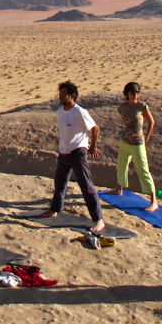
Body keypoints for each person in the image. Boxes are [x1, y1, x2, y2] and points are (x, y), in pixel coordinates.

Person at [37, 81, 107, 234]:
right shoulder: (61, 111)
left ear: (72, 96)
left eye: (63, 94)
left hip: (78, 154)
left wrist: (92, 146)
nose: (60, 97)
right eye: (60, 94)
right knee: (59, 184)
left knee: (87, 187)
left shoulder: (80, 112)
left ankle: (98, 220)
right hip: (64, 153)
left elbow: (95, 129)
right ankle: (54, 210)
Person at [110, 82, 159, 212]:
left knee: (143, 169)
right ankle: (119, 189)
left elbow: (151, 121)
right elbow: (125, 121)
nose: (136, 94)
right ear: (127, 94)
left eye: (137, 92)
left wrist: (147, 136)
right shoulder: (122, 107)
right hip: (125, 140)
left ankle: (153, 201)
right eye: (133, 92)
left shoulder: (142, 106)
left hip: (137, 142)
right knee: (121, 165)